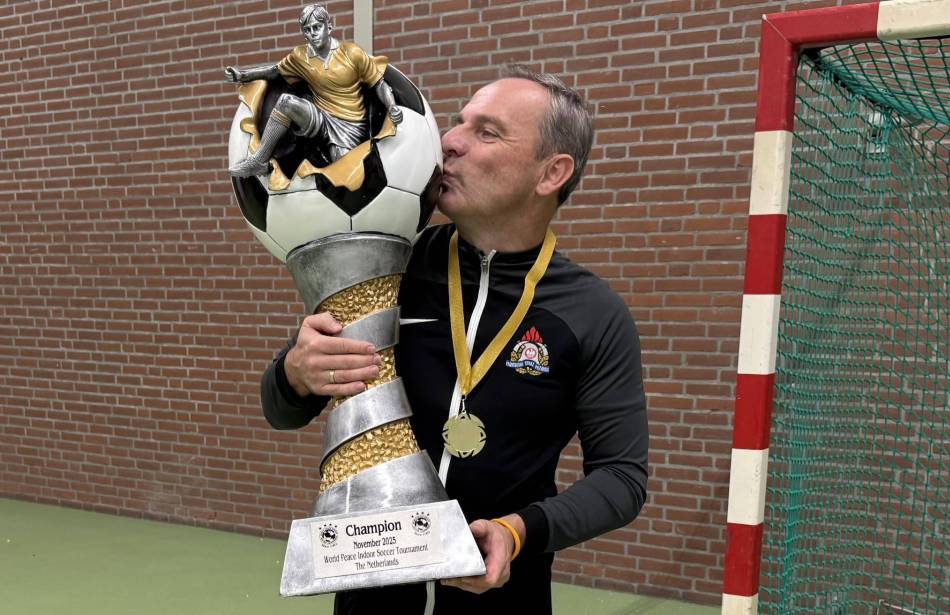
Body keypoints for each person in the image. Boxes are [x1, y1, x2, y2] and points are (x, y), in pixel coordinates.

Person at [261, 65, 649, 615]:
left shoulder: (592, 313)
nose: (449, 140)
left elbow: (621, 478)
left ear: (551, 173)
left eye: (486, 132)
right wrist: (295, 373)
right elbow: (281, 410)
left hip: (503, 595)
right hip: (369, 587)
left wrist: (519, 531)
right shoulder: (388, 265)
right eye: (458, 122)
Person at [225, 4, 403, 177]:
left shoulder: (352, 52)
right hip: (320, 117)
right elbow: (274, 71)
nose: (313, 33)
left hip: (350, 125)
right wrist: (242, 75)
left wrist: (392, 107)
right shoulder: (300, 56)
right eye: (307, 30)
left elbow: (379, 84)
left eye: (317, 27)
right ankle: (259, 160)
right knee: (286, 102)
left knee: (344, 173)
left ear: (329, 27)